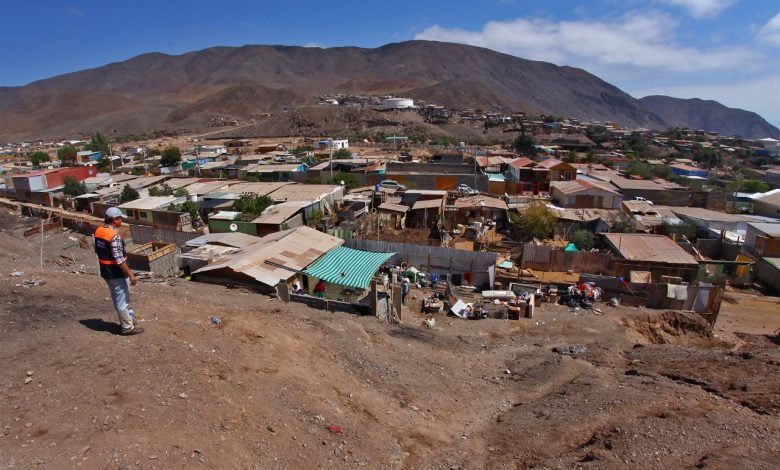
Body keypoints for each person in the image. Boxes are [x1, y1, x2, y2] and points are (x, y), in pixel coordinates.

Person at [94, 207, 143, 335]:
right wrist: (131, 274)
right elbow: (119, 259)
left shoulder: (99, 231)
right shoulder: (113, 236)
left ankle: (131, 319)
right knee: (122, 300)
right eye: (120, 218)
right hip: (115, 273)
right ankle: (127, 327)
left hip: (106, 272)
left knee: (120, 298)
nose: (121, 221)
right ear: (114, 219)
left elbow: (98, 251)